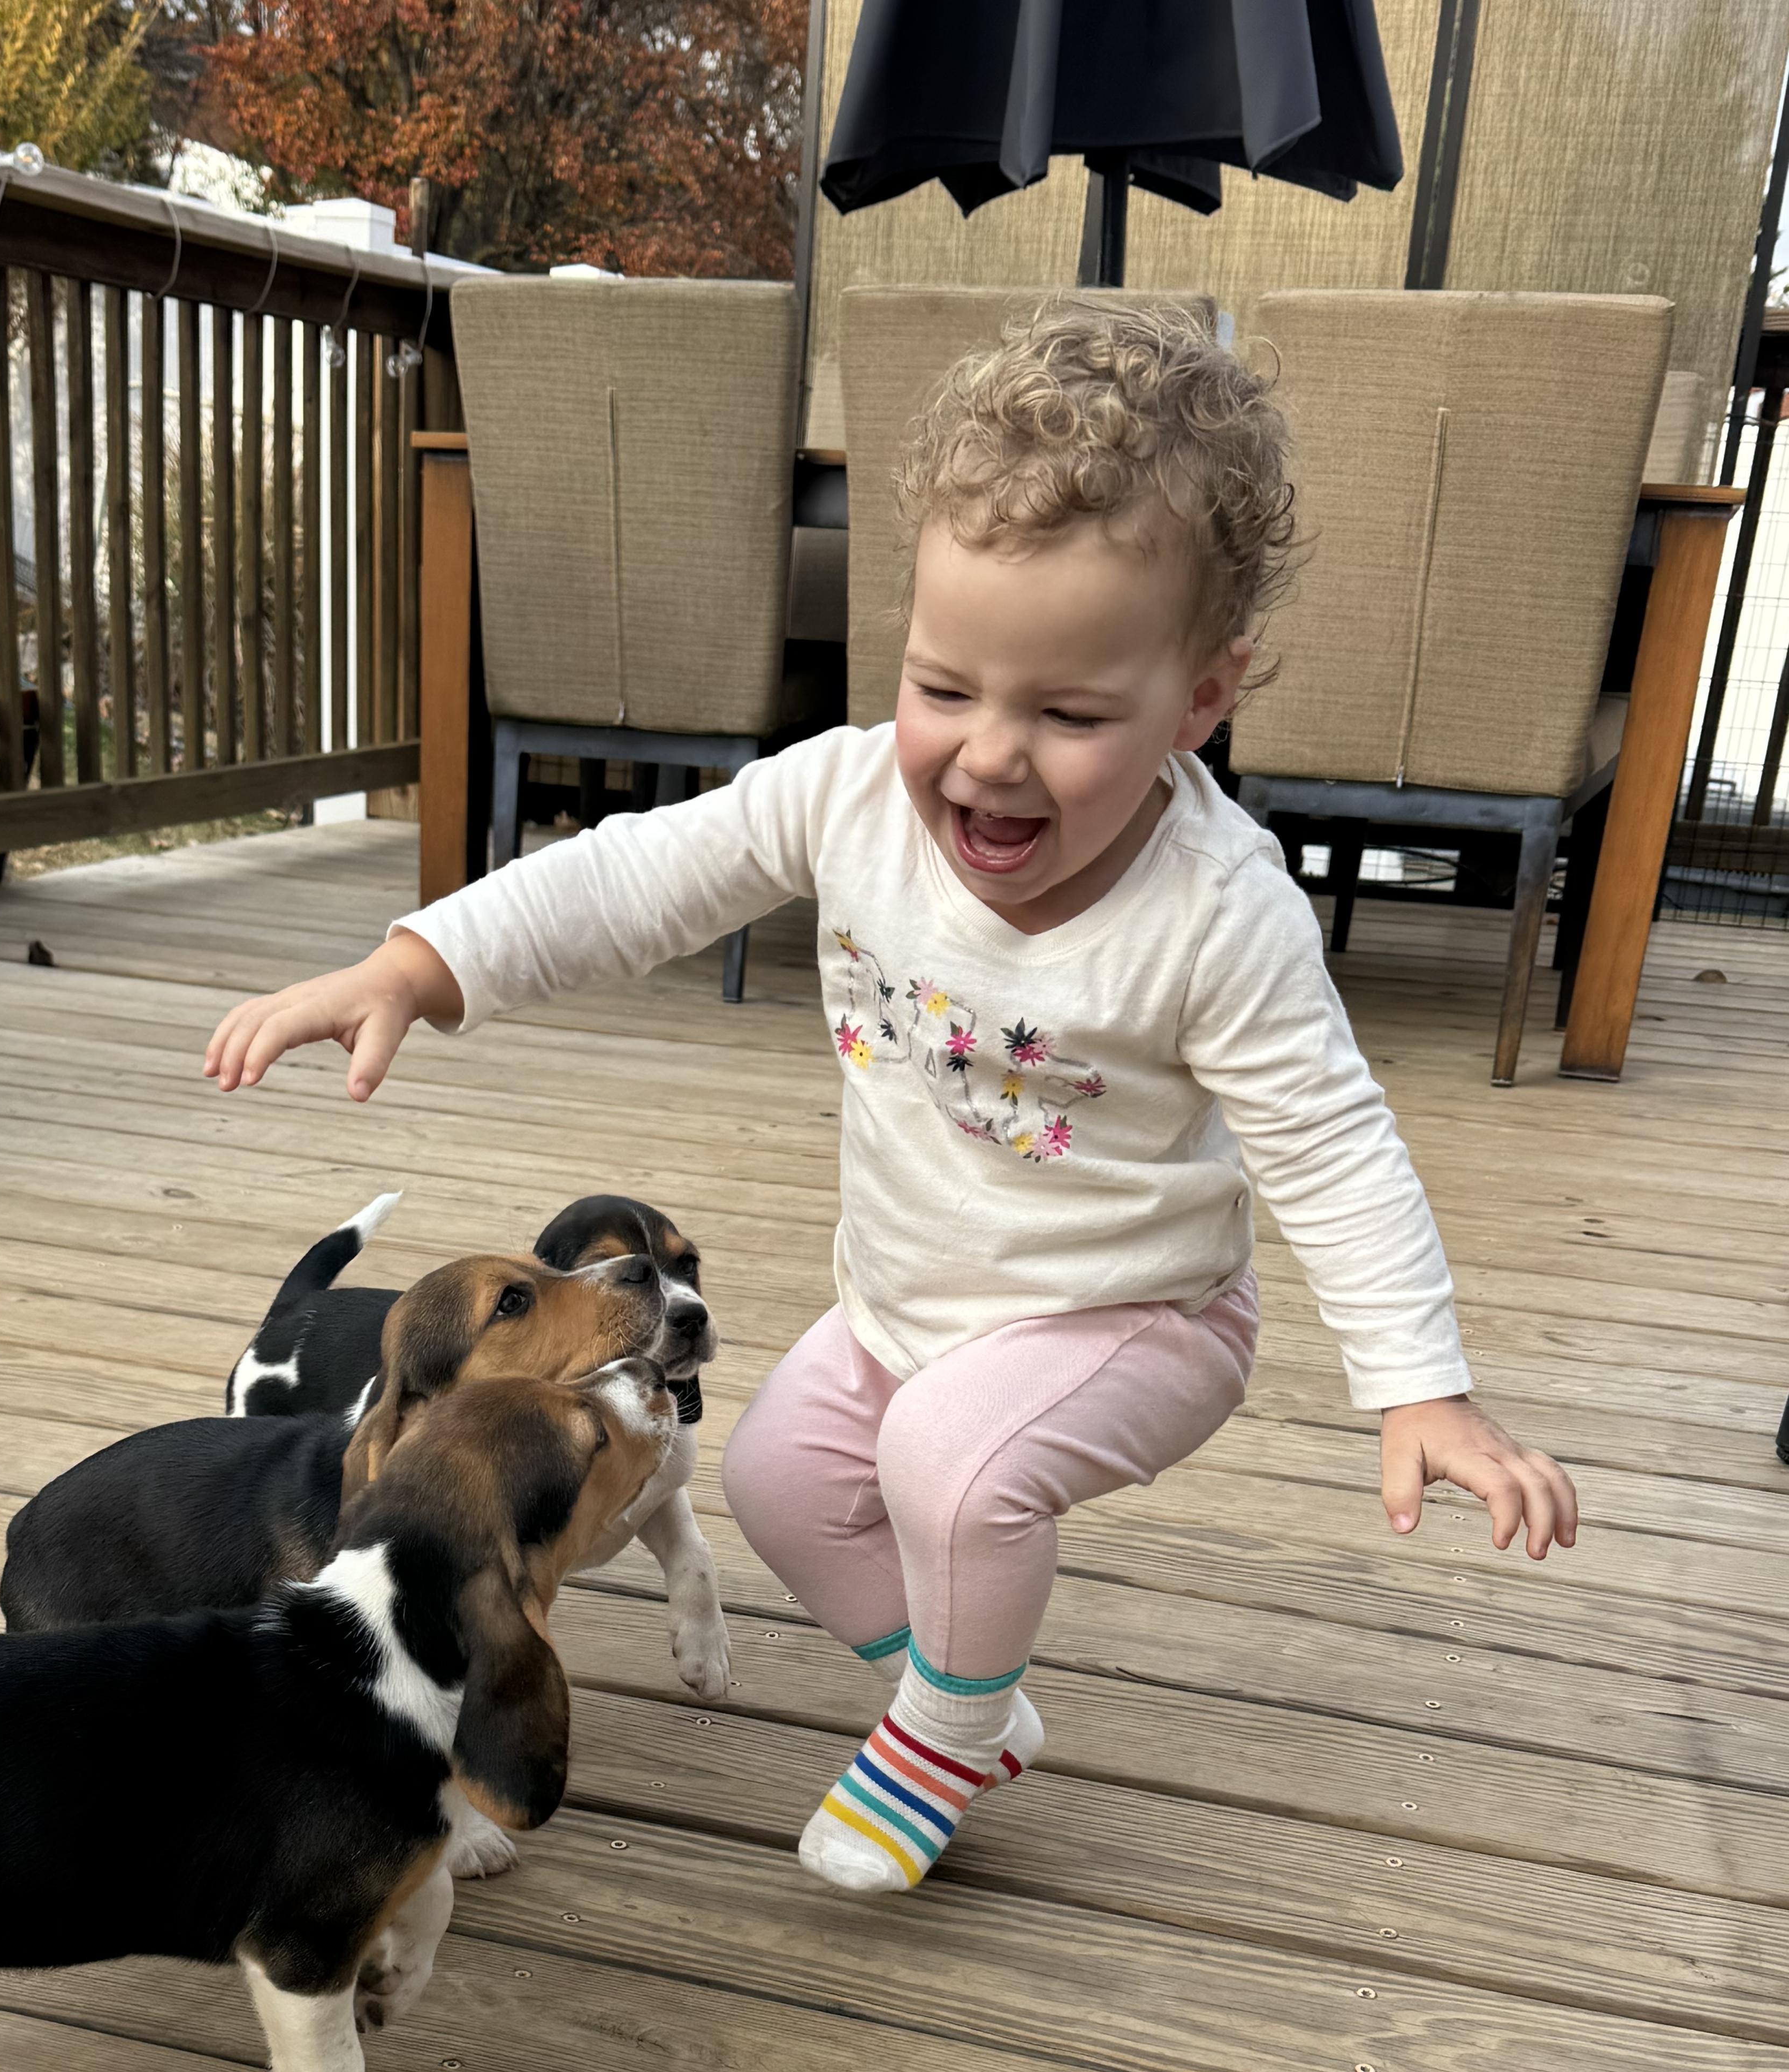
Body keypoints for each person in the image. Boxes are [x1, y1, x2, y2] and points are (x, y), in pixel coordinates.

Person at [203, 296, 1575, 1898]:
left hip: (1136, 1315)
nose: (988, 757)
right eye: (944, 686)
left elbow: (1330, 1142)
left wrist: (1417, 1383)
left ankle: (936, 1739)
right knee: (785, 1484)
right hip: (912, 1301)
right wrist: (419, 965)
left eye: (1068, 717)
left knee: (957, 1469)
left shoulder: (1218, 912)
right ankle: (972, 1701)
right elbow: (634, 877)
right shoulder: (848, 794)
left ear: (1201, 698)